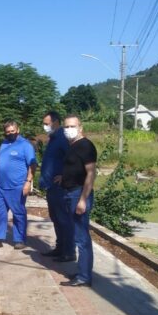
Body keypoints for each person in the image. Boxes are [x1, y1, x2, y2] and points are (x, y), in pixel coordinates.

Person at [0, 120, 37, 250]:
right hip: (1, 187)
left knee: (18, 213)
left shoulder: (25, 145)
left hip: (17, 186)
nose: (10, 134)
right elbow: (1, 164)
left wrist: (28, 182)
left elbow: (32, 165)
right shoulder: (3, 144)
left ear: (18, 130)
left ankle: (19, 239)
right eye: (7, 132)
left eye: (12, 131)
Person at [59, 115, 97, 287]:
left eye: (72, 126)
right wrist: (63, 177)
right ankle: (82, 271)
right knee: (77, 236)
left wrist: (83, 199)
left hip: (78, 195)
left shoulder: (85, 146)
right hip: (70, 193)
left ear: (80, 128)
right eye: (66, 127)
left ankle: (84, 277)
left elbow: (91, 173)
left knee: (82, 239)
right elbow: (75, 168)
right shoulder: (73, 146)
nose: (68, 129)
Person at [38, 111, 73, 262]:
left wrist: (65, 175)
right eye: (44, 124)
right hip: (51, 187)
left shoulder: (63, 138)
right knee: (56, 218)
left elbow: (73, 158)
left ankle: (69, 251)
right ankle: (60, 248)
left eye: (47, 124)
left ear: (56, 122)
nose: (45, 127)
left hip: (60, 187)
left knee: (63, 219)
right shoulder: (52, 139)